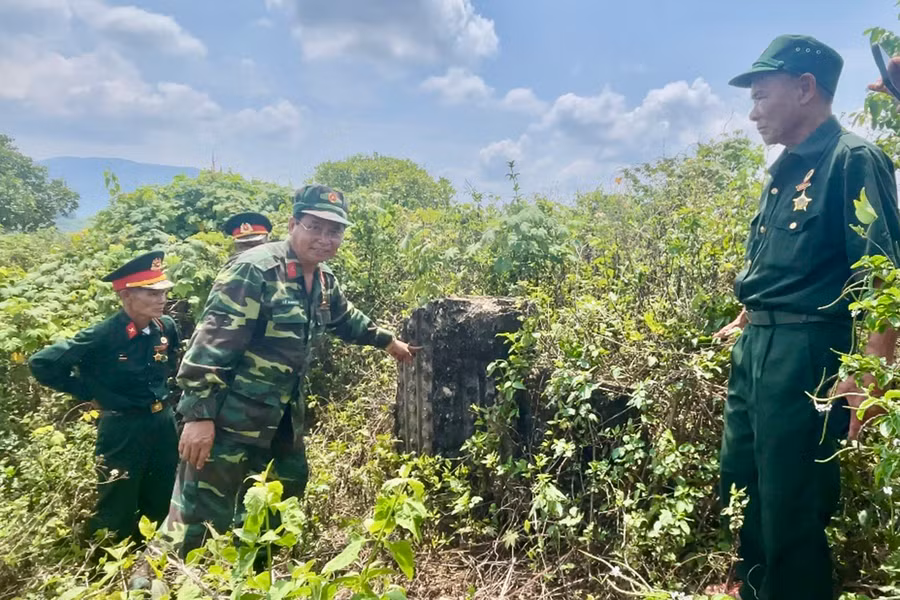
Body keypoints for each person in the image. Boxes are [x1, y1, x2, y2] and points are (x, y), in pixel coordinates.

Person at [710, 34, 900, 599]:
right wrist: (749, 317)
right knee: (742, 488)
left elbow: (882, 274)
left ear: (805, 88)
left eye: (762, 96)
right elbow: (789, 266)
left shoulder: (853, 160)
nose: (752, 113)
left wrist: (869, 374)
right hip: (758, 354)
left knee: (791, 506)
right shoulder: (782, 172)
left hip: (808, 358)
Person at [166, 184, 420, 557]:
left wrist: (387, 341)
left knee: (276, 512)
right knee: (197, 524)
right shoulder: (254, 270)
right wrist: (198, 416)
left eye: (334, 231)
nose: (324, 238)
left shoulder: (322, 280)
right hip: (228, 424)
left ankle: (252, 583)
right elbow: (212, 343)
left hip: (281, 424)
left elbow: (344, 317)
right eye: (314, 227)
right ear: (293, 224)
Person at [28, 251, 181, 544]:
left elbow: (168, 362)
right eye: (151, 292)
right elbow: (42, 363)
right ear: (126, 296)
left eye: (163, 291)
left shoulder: (166, 327)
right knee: (118, 498)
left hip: (162, 420)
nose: (161, 298)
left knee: (162, 490)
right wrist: (91, 393)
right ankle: (112, 561)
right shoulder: (103, 335)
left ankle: (156, 559)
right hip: (122, 427)